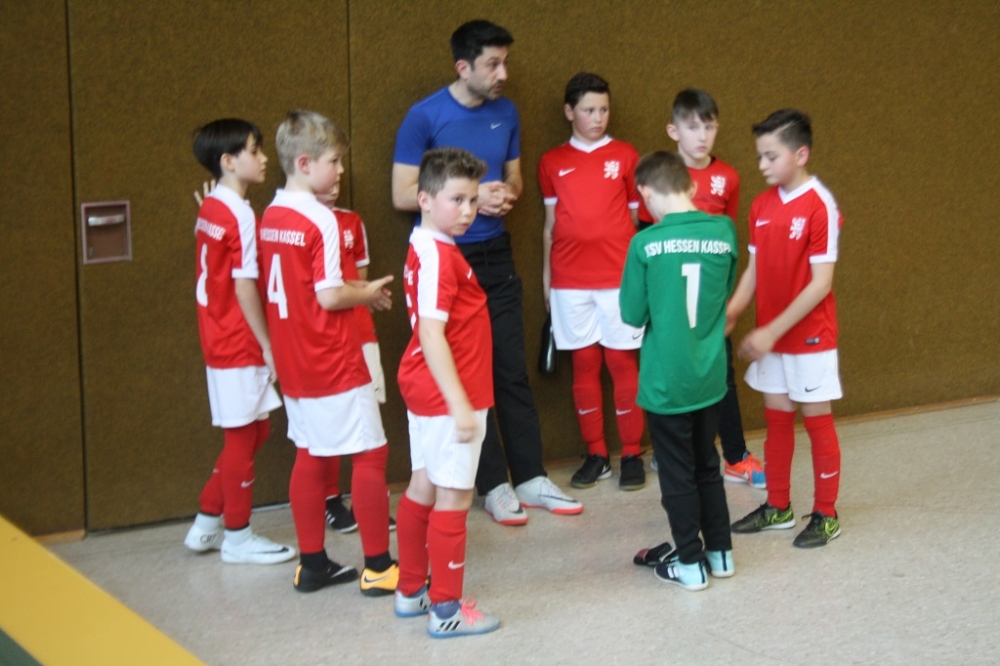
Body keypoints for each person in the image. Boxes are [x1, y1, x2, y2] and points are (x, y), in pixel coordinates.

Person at [392, 20, 582, 525]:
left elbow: (514, 178)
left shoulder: (507, 112)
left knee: (510, 369)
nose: (503, 74)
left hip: (497, 256)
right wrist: (471, 198)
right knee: (469, 376)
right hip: (450, 260)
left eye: (505, 63)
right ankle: (493, 484)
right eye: (492, 64)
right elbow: (402, 193)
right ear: (463, 66)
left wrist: (503, 194)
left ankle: (531, 476)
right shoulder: (424, 116)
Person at [258, 110, 397, 592]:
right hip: (332, 357)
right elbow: (330, 295)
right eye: (334, 161)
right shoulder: (322, 219)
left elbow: (305, 285)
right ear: (304, 163)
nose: (339, 171)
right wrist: (366, 291)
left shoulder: (272, 215)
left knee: (311, 454)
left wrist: (358, 290)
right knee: (371, 453)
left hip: (294, 359)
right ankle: (379, 568)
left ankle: (313, 564)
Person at [394, 147, 500, 637]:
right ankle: (445, 611)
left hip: (425, 387)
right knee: (454, 498)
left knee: (423, 486)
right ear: (424, 199)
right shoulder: (438, 255)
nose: (467, 210)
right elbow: (432, 333)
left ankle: (410, 590)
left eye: (473, 200)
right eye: (456, 199)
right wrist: (460, 403)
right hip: (449, 394)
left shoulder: (426, 243)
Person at [620, 151, 738, 590]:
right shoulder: (724, 232)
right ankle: (720, 554)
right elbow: (723, 292)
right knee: (707, 463)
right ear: (691, 187)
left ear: (644, 193)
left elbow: (632, 313)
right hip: (709, 375)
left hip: (666, 380)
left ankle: (689, 563)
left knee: (676, 472)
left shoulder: (645, 244)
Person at [727, 109, 844, 548]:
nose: (762, 165)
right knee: (777, 420)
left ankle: (827, 514)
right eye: (759, 156)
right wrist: (732, 312)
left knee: (817, 423)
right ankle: (778, 506)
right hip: (772, 338)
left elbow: (821, 284)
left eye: (771, 156)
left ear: (801, 154)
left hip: (810, 339)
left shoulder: (820, 204)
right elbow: (754, 271)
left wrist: (771, 332)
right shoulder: (761, 206)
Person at [639, 88, 765, 489]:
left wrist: (728, 303)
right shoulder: (661, 175)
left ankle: (736, 457)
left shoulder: (728, 177)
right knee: (670, 371)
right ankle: (670, 450)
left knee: (720, 374)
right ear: (673, 131)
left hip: (709, 303)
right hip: (669, 302)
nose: (702, 136)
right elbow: (647, 240)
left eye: (709, 127)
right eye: (693, 127)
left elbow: (728, 241)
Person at [183, 118, 296, 565]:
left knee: (255, 429)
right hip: (237, 339)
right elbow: (245, 285)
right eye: (255, 150)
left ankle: (207, 520)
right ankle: (238, 536)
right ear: (228, 161)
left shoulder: (212, 205)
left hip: (219, 335)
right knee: (242, 436)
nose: (264, 158)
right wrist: (267, 345)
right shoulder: (240, 215)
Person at [538, 72, 646, 491]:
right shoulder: (551, 161)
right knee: (584, 365)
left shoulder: (626, 154)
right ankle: (597, 454)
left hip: (619, 278)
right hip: (569, 280)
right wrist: (547, 279)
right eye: (588, 110)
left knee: (622, 363)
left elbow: (636, 219)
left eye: (603, 109)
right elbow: (550, 225)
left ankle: (632, 453)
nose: (597, 118)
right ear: (570, 112)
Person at [315, 181, 396, 535]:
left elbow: (359, 281)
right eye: (330, 166)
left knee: (368, 420)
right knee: (331, 420)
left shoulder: (351, 221)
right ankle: (330, 499)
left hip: (361, 331)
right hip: (325, 338)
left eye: (340, 172)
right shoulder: (296, 221)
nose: (336, 180)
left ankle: (368, 504)